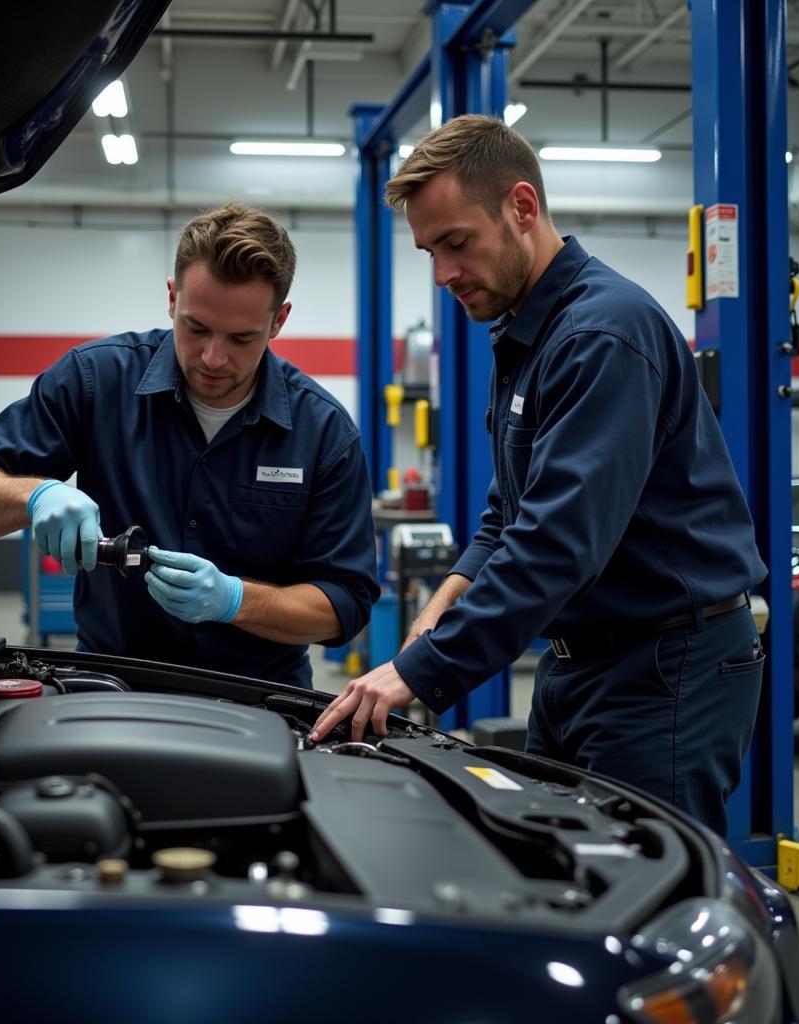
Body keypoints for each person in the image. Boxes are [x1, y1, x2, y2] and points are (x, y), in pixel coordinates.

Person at [311, 115, 766, 836]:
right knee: (562, 868)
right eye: (429, 251)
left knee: (645, 890)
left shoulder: (602, 336)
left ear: (522, 207)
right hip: (575, 663)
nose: (444, 275)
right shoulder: (526, 334)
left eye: (457, 243)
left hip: (664, 668)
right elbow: (509, 515)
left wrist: (421, 671)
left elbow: (559, 540)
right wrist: (442, 606)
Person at [0, 202, 379, 688]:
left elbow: (344, 605)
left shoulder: (323, 432)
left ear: (278, 321)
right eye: (196, 327)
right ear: (172, 298)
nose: (213, 357)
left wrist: (235, 600)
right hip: (113, 688)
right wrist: (36, 496)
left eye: (241, 338)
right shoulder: (96, 382)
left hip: (260, 700)